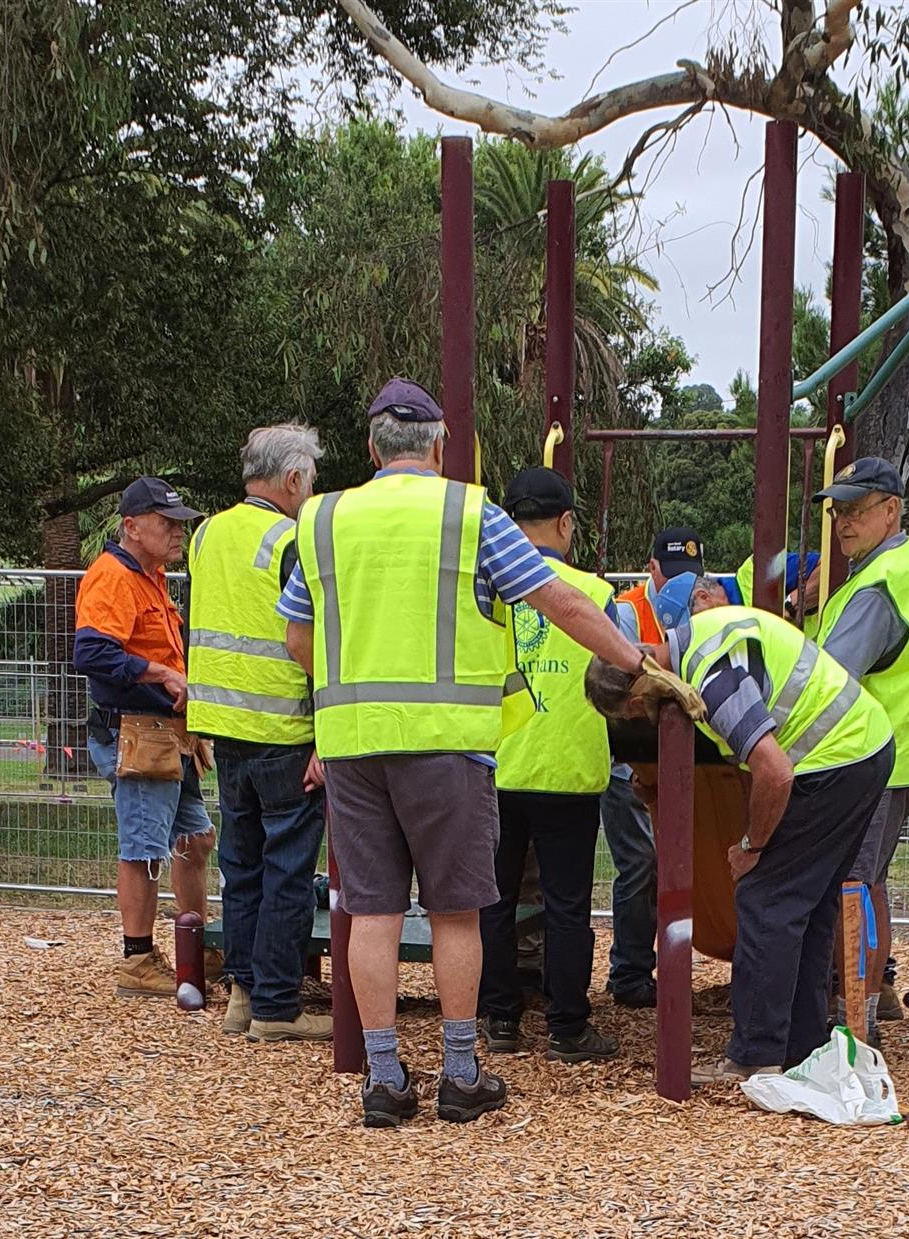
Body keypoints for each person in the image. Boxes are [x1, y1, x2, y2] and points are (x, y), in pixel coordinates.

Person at [278, 378, 663, 1127]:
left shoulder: (323, 518)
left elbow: (297, 635)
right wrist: (636, 662)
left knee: (371, 911)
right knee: (457, 909)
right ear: (440, 445)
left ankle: (384, 1077)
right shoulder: (469, 513)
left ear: (371, 448)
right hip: (448, 746)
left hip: (353, 744)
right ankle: (459, 1071)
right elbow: (559, 599)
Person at [589, 584, 894, 1083]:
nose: (645, 720)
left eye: (635, 714)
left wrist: (754, 845)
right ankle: (801, 1046)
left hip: (832, 760)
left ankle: (755, 1053)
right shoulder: (699, 639)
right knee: (807, 906)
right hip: (862, 748)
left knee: (764, 899)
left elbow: (774, 771)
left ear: (640, 690)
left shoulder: (711, 677)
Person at [186, 424, 329, 1043]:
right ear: (292, 478)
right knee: (287, 871)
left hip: (224, 728)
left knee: (240, 868)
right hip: (284, 728)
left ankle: (242, 996)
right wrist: (325, 731)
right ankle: (276, 1005)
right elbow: (307, 640)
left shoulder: (205, 534)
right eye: (310, 480)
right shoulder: (292, 540)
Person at [480, 467, 622, 1064]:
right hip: (570, 769)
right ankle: (568, 1026)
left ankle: (499, 1020)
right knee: (567, 906)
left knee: (493, 900)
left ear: (509, 524)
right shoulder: (596, 594)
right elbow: (620, 677)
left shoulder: (489, 592)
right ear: (566, 524)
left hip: (498, 764)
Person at [806, 458, 909, 1039]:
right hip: (902, 751)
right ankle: (868, 1004)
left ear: (891, 510)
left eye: (856, 510)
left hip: (873, 759)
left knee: (852, 888)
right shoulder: (897, 567)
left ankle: (854, 1025)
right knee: (868, 883)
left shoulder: (878, 586)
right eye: (837, 511)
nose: (843, 522)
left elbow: (830, 676)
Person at [73, 477, 214, 1000]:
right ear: (131, 527)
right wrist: (163, 674)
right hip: (136, 733)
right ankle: (136, 959)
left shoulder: (149, 576)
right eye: (167, 523)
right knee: (144, 849)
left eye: (180, 523)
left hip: (166, 734)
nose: (178, 532)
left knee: (196, 839)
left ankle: (196, 947)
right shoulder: (113, 576)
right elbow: (92, 654)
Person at [601, 527, 705, 1008]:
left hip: (681, 759)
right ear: (651, 569)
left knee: (672, 860)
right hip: (630, 758)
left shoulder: (705, 605)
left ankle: (651, 968)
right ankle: (629, 971)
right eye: (671, 574)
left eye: (690, 574)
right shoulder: (625, 612)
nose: (681, 585)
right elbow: (621, 684)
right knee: (641, 862)